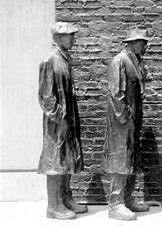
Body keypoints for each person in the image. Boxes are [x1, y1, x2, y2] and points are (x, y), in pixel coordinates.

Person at [38, 22, 87, 220]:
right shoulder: (50, 60)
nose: (73, 39)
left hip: (67, 119)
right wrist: (59, 118)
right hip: (57, 122)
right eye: (70, 36)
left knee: (67, 159)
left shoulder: (65, 58)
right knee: (55, 162)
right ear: (58, 38)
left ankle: (66, 198)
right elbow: (46, 97)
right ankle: (54, 205)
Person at [104, 28, 150, 220]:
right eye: (141, 42)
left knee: (131, 159)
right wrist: (125, 117)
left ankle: (128, 198)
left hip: (133, 119)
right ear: (130, 43)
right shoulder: (119, 61)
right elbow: (116, 93)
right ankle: (115, 204)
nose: (145, 45)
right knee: (119, 159)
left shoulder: (136, 61)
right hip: (121, 121)